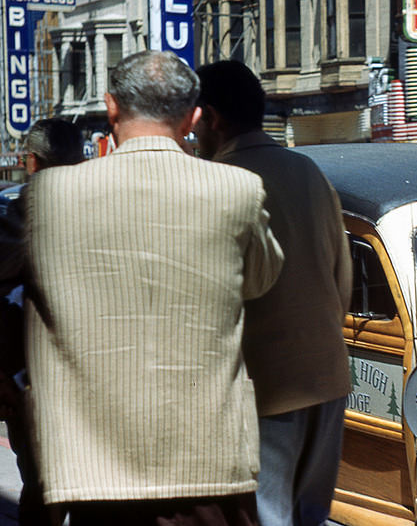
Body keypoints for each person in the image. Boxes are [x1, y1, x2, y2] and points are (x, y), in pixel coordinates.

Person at [21, 50, 284, 525]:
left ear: (112, 108)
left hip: (91, 473)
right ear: (193, 116)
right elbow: (262, 279)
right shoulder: (239, 189)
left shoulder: (46, 195)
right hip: (206, 468)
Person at [195, 59, 353, 526]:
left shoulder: (217, 183)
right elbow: (342, 278)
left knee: (268, 516)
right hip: (325, 376)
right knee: (311, 515)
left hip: (261, 388)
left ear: (212, 118)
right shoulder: (308, 171)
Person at [0, 118, 84, 526]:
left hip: (41, 373)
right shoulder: (106, 193)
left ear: (32, 162)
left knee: (42, 486)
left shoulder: (33, 203)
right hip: (104, 365)